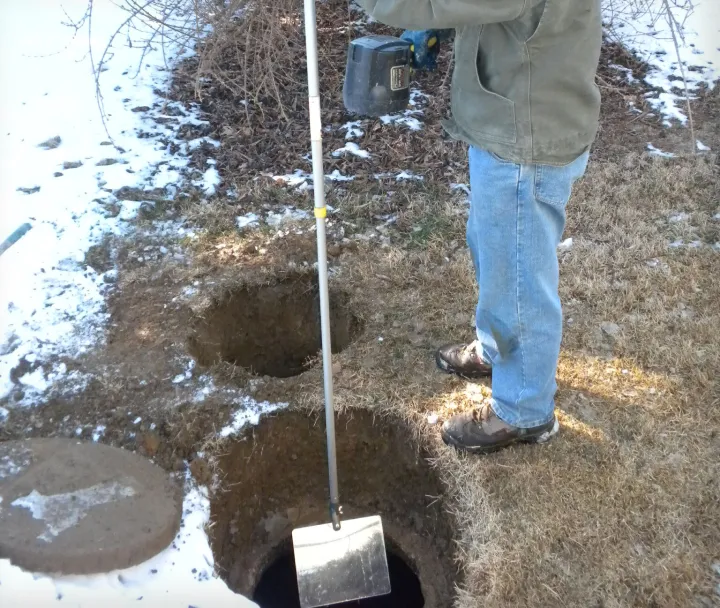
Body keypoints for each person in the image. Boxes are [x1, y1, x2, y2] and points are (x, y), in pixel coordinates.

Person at [357, 0, 602, 453]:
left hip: (524, 135)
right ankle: (496, 350)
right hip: (514, 115)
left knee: (517, 277)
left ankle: (524, 410)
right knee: (496, 253)